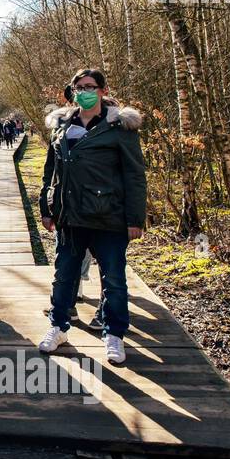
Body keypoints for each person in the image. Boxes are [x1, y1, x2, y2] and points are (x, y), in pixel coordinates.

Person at [37, 69, 146, 364]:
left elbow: (134, 175)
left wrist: (135, 219)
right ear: (72, 91)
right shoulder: (61, 126)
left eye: (90, 86)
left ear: (101, 90)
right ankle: (58, 327)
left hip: (108, 216)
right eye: (79, 87)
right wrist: (47, 207)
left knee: (113, 279)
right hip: (70, 216)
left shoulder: (119, 128)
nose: (84, 91)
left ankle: (114, 334)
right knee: (64, 276)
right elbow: (51, 172)